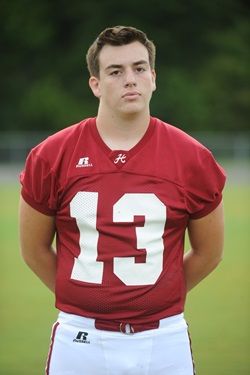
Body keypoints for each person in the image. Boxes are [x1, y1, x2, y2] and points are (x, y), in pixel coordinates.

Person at [19, 26, 226, 375]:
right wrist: (84, 292)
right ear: (95, 84)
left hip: (163, 339)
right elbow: (34, 250)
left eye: (139, 68)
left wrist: (159, 290)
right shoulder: (51, 156)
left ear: (154, 77)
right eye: (116, 71)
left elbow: (209, 252)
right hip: (80, 338)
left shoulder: (192, 158)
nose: (131, 79)